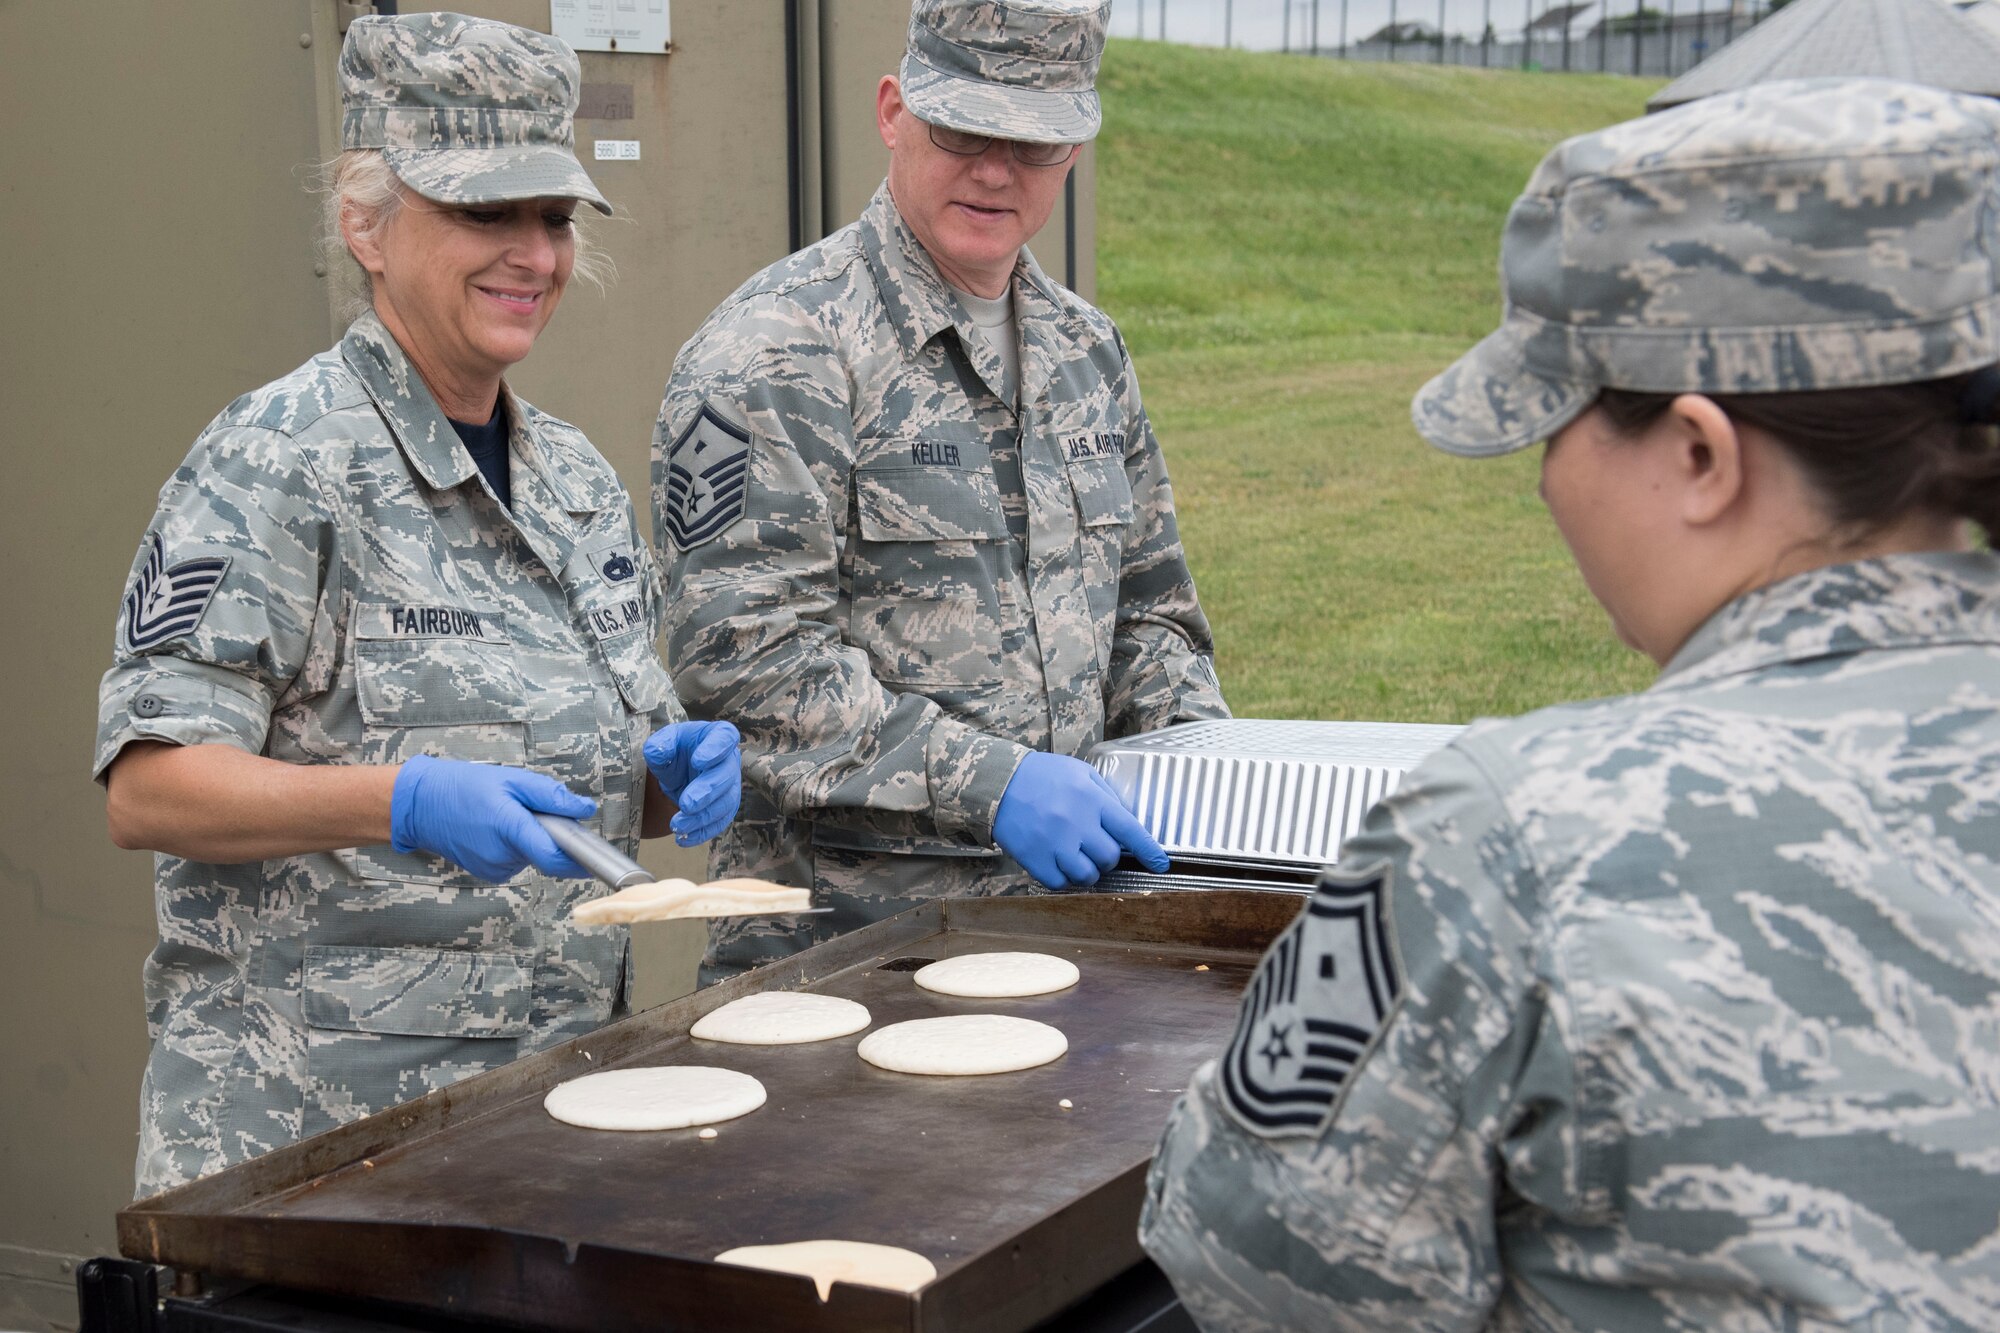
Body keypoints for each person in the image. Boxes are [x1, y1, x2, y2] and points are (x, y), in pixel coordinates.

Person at [1140, 77, 2000, 1330]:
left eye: (1556, 425)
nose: (1544, 483)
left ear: (1698, 455)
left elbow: (1254, 1262)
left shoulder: (1518, 835)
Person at [96, 12, 740, 1196]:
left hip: (542, 1128)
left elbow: (560, 790)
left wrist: (661, 775)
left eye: (551, 218)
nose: (534, 256)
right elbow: (148, 787)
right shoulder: (281, 460)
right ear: (366, 225)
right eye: (483, 214)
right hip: (317, 1156)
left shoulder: (575, 482)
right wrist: (399, 801)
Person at [654, 0, 1228, 983]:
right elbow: (742, 666)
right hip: (845, 959)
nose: (996, 169)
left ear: (1075, 148)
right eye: (964, 129)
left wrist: (1210, 786)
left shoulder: (1085, 349)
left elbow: (1151, 616)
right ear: (892, 111)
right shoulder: (772, 352)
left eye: (1034, 141)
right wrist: (993, 785)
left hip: (1081, 941)